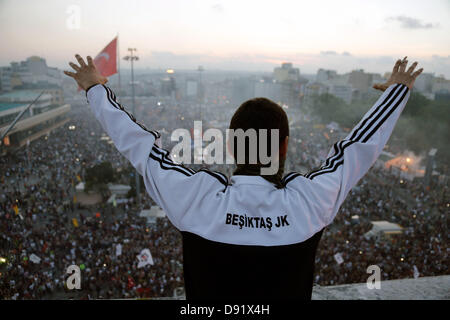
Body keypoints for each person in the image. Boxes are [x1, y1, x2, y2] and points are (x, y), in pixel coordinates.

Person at [64, 55, 423, 299]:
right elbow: (358, 148)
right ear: (284, 147)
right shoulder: (308, 201)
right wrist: (397, 92)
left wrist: (95, 88)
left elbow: (140, 146)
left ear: (233, 148)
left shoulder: (197, 198)